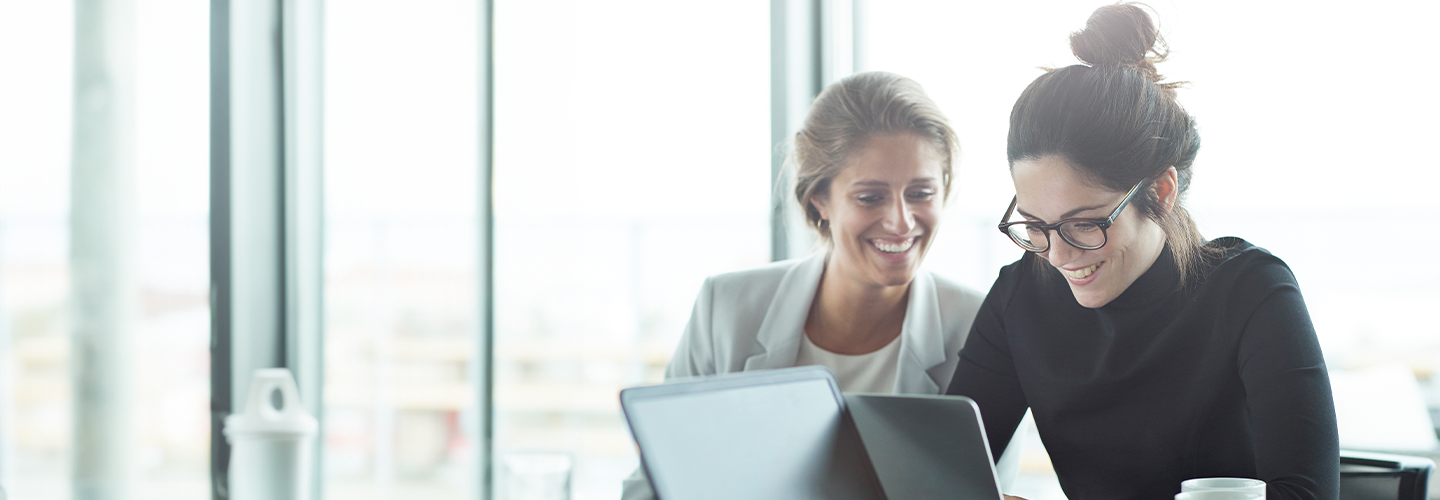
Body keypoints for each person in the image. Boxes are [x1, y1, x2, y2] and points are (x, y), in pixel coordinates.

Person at [946, 4, 1339, 500]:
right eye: (1035, 226)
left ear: (1161, 190)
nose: (1059, 256)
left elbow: (1309, 495)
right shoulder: (1021, 295)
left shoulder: (1251, 291)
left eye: (1084, 224)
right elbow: (942, 472)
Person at [621, 71, 1021, 499]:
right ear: (819, 200)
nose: (902, 222)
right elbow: (652, 485)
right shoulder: (726, 308)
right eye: (870, 197)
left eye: (921, 192)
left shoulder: (984, 326)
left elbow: (985, 491)